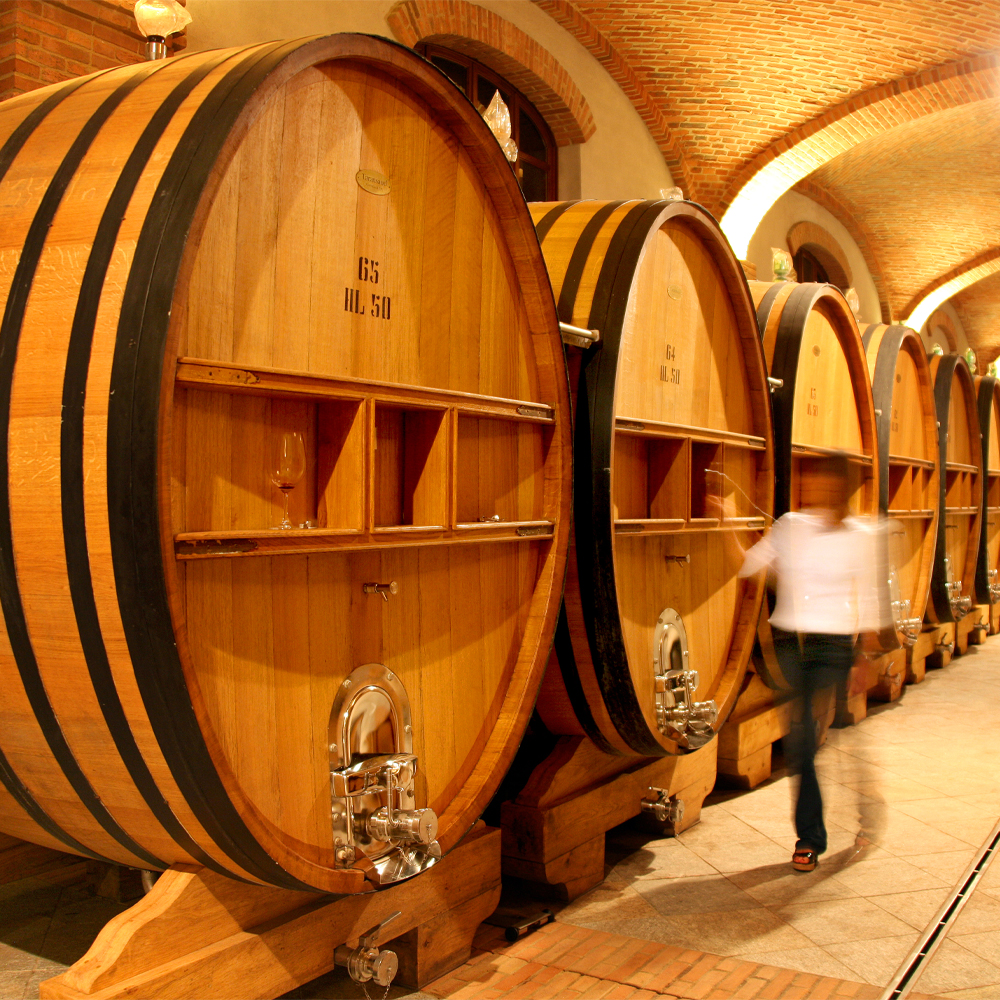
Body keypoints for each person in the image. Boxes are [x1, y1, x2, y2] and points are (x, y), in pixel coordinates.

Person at [731, 453, 887, 872]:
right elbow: (752, 564)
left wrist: (864, 656)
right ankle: (820, 830)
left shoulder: (858, 535)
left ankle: (816, 834)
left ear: (843, 487)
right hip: (789, 641)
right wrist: (727, 521)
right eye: (814, 480)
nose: (817, 488)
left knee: (815, 735)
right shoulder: (791, 526)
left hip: (832, 643)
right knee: (806, 742)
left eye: (826, 481)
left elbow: (869, 594)